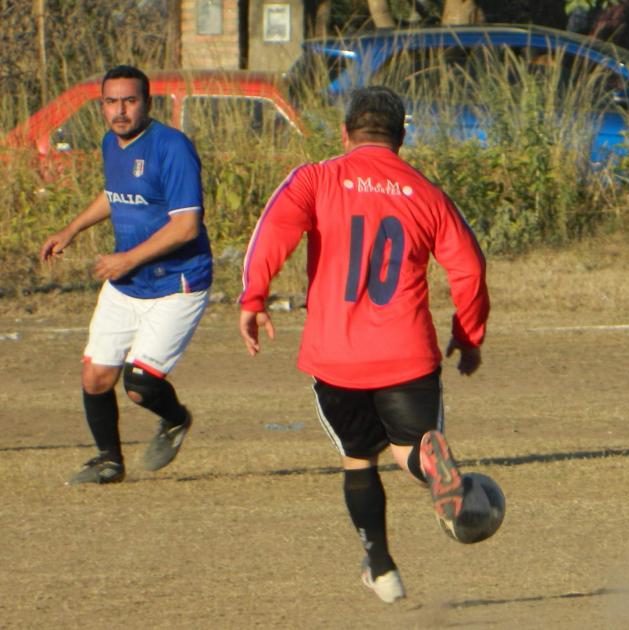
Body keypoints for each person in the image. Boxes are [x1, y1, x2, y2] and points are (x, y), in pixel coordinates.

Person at [238, 86, 490, 605]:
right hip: (406, 353)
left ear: (345, 132)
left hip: (336, 356)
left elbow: (273, 230)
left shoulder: (315, 178)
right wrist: (468, 335)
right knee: (409, 449)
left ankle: (382, 567)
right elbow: (469, 266)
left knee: (358, 459)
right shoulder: (427, 193)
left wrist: (254, 296)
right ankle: (431, 467)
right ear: (401, 137)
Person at [39, 65, 211, 486]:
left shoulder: (172, 147)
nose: (120, 111)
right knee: (95, 377)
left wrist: (126, 259)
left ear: (147, 103)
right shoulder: (111, 143)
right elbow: (114, 194)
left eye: (130, 101)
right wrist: (71, 229)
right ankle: (109, 462)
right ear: (101, 105)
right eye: (111, 102)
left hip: (176, 283)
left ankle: (175, 419)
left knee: (140, 385)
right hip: (128, 283)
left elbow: (186, 226)